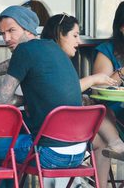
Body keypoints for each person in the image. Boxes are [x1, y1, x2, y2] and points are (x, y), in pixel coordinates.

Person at [40, 13, 124, 188]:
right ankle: (116, 144)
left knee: (100, 138)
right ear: (59, 35)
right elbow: (61, 93)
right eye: (75, 35)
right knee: (100, 110)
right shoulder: (46, 61)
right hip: (52, 138)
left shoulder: (61, 61)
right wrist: (92, 82)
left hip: (64, 134)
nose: (78, 42)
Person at [93, 1, 124, 160]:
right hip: (116, 115)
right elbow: (99, 88)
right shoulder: (108, 50)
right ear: (121, 28)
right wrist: (122, 73)